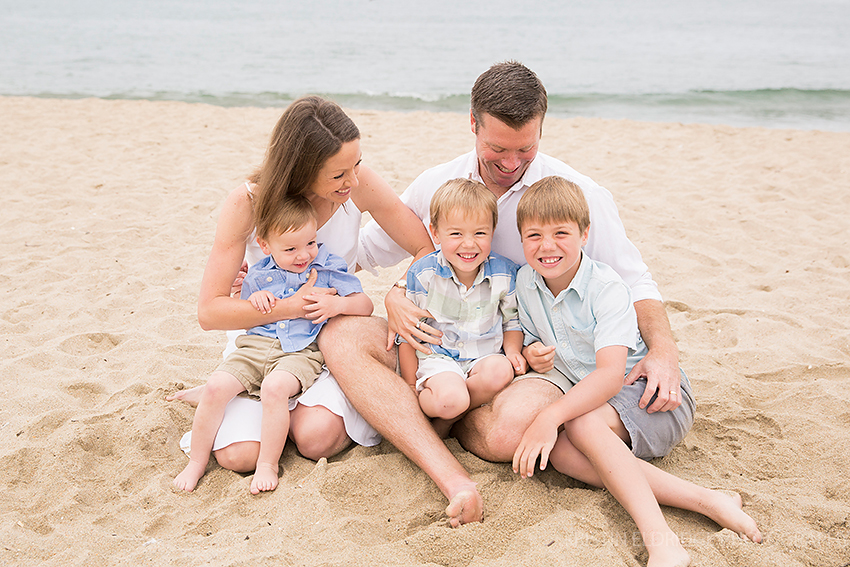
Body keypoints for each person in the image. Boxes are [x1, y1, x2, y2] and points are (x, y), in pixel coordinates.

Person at [321, 60, 754, 526]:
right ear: (472, 124)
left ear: (542, 130)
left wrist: (664, 351)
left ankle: (443, 413)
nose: (510, 163)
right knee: (343, 337)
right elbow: (363, 251)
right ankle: (443, 430)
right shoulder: (437, 185)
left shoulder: (575, 196)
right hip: (450, 344)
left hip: (527, 361)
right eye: (496, 149)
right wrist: (389, 294)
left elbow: (635, 283)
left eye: (525, 149)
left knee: (505, 434)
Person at [168, 96, 453, 502]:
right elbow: (209, 311)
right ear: (301, 169)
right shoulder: (247, 203)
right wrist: (287, 305)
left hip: (329, 341)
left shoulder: (359, 185)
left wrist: (398, 291)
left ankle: (268, 405)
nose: (352, 180)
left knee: (315, 440)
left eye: (356, 164)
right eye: (339, 173)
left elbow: (426, 249)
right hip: (264, 335)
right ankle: (238, 392)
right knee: (238, 455)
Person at [510, 176, 760, 566]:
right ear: (521, 238)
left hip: (653, 395)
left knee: (580, 426)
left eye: (561, 233)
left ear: (585, 234)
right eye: (534, 235)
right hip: (602, 405)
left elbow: (610, 376)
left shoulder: (605, 287)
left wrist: (550, 414)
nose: (547, 246)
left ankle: (662, 541)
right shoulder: (526, 283)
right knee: (560, 454)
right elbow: (525, 337)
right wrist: (532, 352)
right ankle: (708, 499)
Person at [174, 197, 373, 494]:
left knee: (274, 388)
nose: (304, 254)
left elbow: (365, 304)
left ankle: (268, 465)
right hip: (256, 346)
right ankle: (197, 462)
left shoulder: (327, 266)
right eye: (290, 249)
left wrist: (336, 304)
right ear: (265, 246)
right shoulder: (259, 273)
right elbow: (244, 314)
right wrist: (254, 300)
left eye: (310, 242)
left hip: (299, 351)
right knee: (216, 386)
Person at [397, 179, 525, 434]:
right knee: (451, 399)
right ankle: (446, 414)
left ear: (492, 231)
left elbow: (513, 322)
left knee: (501, 371)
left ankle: (449, 422)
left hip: (483, 358)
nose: (469, 244)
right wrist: (410, 384)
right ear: (435, 233)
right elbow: (408, 333)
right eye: (456, 233)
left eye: (480, 233)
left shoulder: (505, 274)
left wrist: (512, 352)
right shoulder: (424, 274)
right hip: (439, 360)